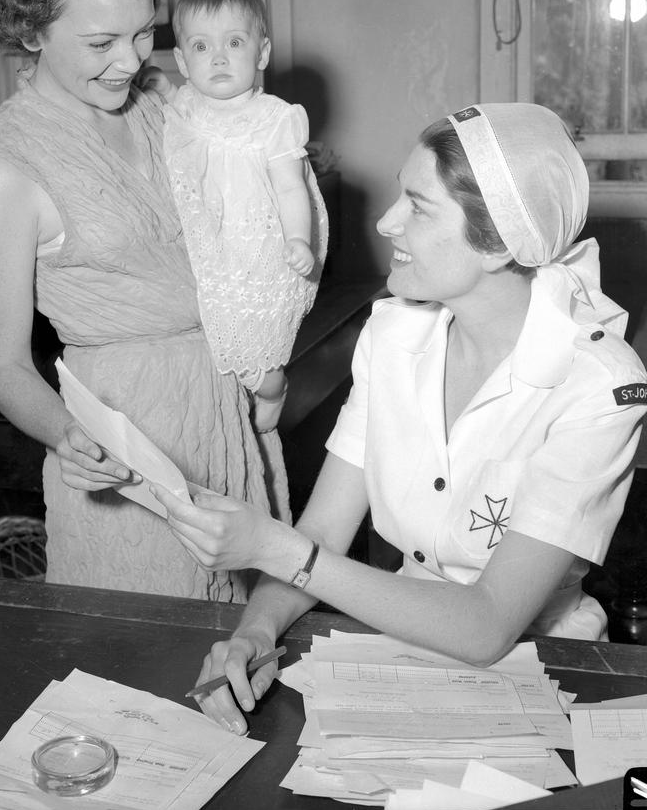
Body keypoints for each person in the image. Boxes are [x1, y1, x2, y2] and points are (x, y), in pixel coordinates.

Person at [152, 102, 647, 731]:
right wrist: (255, 631)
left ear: (496, 244)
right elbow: (325, 533)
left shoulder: (598, 387)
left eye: (418, 206)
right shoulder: (390, 336)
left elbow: (487, 624)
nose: (388, 222)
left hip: (546, 670)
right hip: (397, 655)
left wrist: (279, 550)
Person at [0, 0, 290, 601]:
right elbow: (6, 364)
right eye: (102, 42)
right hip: (128, 451)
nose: (131, 60)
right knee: (143, 668)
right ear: (31, 29)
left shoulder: (160, 98)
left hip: (227, 412)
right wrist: (67, 435)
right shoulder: (3, 173)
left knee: (250, 646)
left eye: (144, 34)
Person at [150, 0, 328, 431]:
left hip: (262, 247)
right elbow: (175, 113)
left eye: (234, 42)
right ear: (183, 62)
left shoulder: (276, 119)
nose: (220, 58)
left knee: (260, 356)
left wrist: (298, 239)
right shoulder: (185, 103)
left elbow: (291, 188)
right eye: (201, 47)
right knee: (214, 338)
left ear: (262, 53)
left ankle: (276, 388)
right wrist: (160, 88)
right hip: (210, 242)